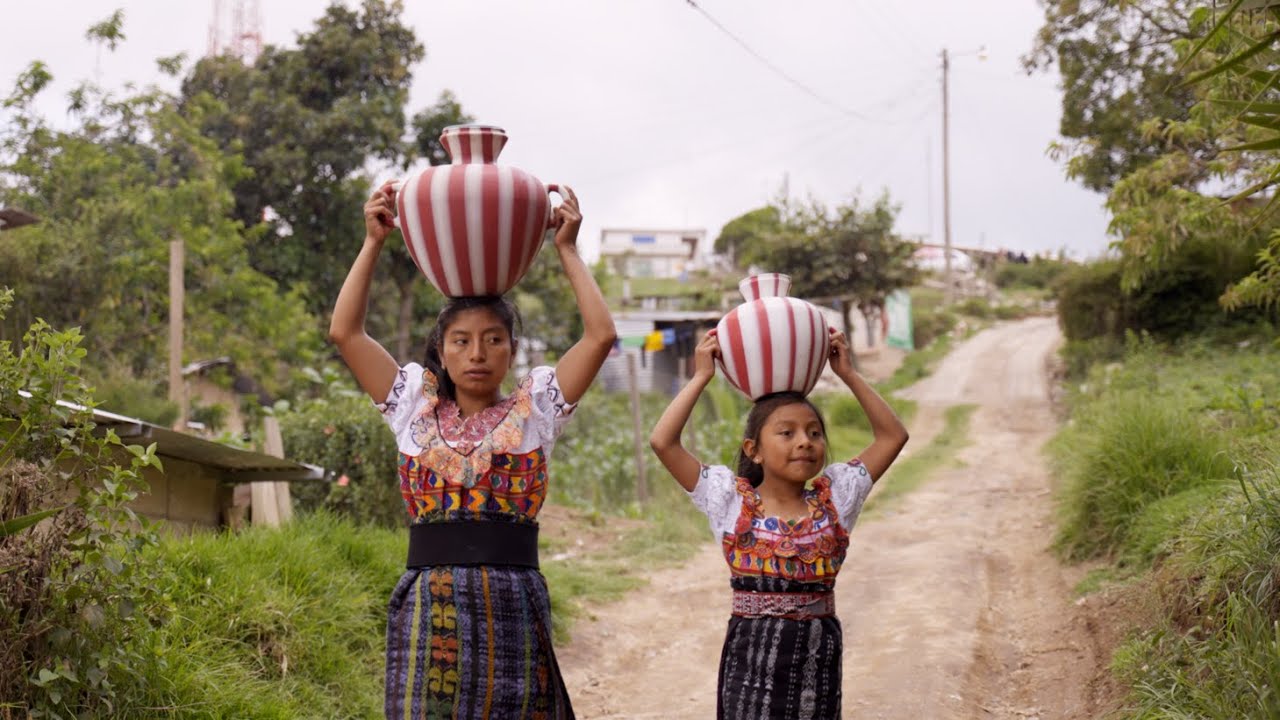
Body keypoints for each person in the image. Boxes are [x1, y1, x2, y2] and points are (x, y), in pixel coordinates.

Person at [330, 181, 614, 719]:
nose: (477, 353)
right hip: (429, 605)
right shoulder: (411, 407)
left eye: (494, 339)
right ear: (441, 351)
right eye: (461, 341)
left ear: (512, 351)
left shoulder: (537, 409)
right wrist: (372, 243)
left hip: (513, 605)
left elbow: (599, 337)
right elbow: (346, 332)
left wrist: (568, 250)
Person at [649, 327, 908, 719]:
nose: (804, 441)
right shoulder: (729, 500)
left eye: (814, 433)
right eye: (787, 433)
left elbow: (892, 436)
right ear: (753, 450)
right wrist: (701, 376)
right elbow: (663, 442)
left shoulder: (836, 499)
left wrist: (848, 374)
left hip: (817, 668)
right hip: (748, 670)